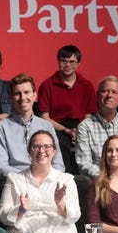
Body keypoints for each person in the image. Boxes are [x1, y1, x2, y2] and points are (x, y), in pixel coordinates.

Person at [0, 73, 64, 194]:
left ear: (34, 95)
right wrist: (28, 177)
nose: (22, 97)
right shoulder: (1, 127)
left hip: (47, 181)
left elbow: (58, 164)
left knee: (78, 181)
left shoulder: (46, 126)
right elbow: (1, 167)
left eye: (26, 92)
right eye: (17, 94)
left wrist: (47, 178)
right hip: (17, 182)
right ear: (11, 97)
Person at [38, 45, 98, 175]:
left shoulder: (86, 85)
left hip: (81, 126)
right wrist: (67, 130)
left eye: (72, 62)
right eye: (64, 61)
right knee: (59, 143)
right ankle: (66, 179)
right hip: (57, 127)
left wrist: (79, 131)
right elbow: (44, 117)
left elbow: (89, 114)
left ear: (78, 63)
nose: (67, 65)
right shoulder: (47, 85)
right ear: (58, 62)